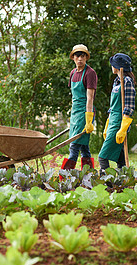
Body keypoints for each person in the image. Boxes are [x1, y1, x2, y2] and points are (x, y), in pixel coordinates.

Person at [60, 44, 98, 179]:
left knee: (74, 145)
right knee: (84, 146)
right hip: (75, 112)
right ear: (73, 58)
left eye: (83, 56)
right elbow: (73, 96)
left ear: (86, 57)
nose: (80, 58)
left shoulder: (90, 73)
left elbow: (90, 98)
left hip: (85, 111)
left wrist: (89, 119)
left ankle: (64, 177)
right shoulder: (72, 73)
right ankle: (89, 176)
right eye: (77, 56)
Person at [98, 53, 136, 175]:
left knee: (103, 156)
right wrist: (107, 123)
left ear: (118, 66)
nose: (111, 66)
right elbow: (112, 106)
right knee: (121, 158)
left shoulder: (127, 81)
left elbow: (129, 106)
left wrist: (123, 128)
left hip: (120, 122)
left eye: (112, 64)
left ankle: (105, 181)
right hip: (113, 120)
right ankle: (122, 179)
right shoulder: (116, 81)